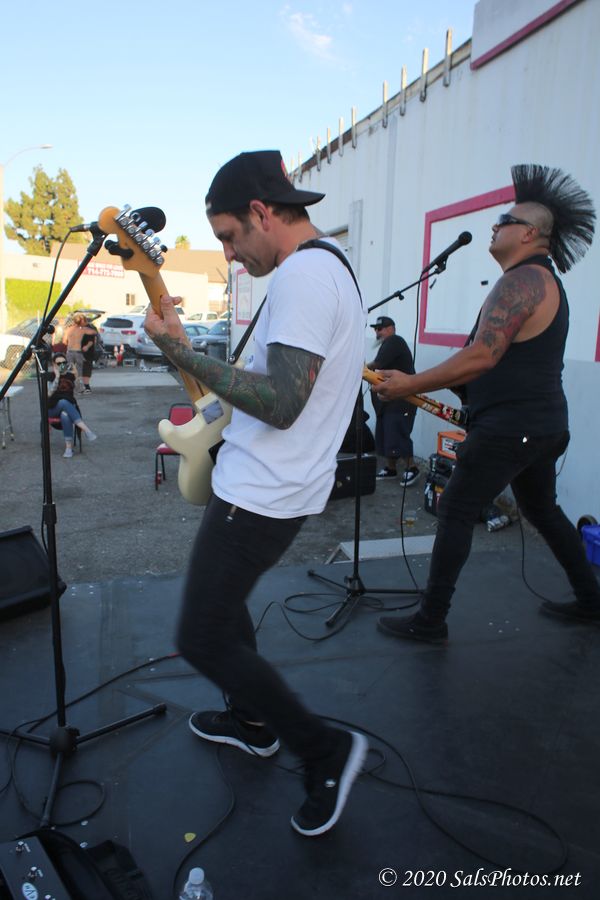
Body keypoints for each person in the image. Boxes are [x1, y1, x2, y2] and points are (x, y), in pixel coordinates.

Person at [144, 150, 368, 837]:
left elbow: (281, 403)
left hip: (263, 494)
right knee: (225, 608)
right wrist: (189, 358)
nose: (229, 255)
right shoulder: (323, 267)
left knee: (201, 635)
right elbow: (264, 390)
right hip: (263, 485)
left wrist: (182, 352)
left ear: (262, 213)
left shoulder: (304, 276)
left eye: (229, 237)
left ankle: (323, 750)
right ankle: (252, 721)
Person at [373, 164, 600, 643]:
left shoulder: (523, 280)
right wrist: (447, 391)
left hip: (511, 430)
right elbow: (497, 365)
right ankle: (591, 599)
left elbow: (482, 355)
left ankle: (430, 619)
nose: (495, 227)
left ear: (530, 233)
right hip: (540, 426)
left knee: (456, 509)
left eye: (504, 221)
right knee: (542, 510)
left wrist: (411, 381)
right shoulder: (537, 281)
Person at [367, 315, 418, 484]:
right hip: (389, 401)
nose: (377, 332)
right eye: (375, 329)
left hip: (402, 399)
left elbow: (376, 364)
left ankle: (412, 468)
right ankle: (391, 468)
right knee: (386, 434)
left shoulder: (394, 341)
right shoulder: (387, 344)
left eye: (380, 329)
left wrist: (361, 369)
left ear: (391, 329)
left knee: (398, 433)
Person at [48, 354, 97, 458]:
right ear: (54, 365)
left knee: (65, 415)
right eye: (59, 363)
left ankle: (68, 448)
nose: (62, 365)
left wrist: (76, 376)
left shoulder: (70, 376)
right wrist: (57, 377)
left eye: (64, 363)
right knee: (63, 402)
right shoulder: (50, 376)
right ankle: (86, 429)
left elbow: (79, 390)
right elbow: (49, 394)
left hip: (68, 408)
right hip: (53, 408)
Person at [64, 313, 97, 390]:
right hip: (78, 352)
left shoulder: (68, 329)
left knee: (69, 369)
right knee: (79, 370)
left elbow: (64, 341)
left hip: (69, 352)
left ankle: (69, 386)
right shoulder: (82, 329)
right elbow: (94, 332)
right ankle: (79, 387)